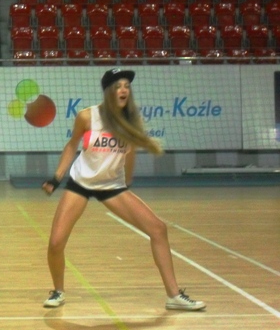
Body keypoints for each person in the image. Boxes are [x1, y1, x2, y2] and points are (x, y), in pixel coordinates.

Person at [41, 68, 205, 311]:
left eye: (127, 85)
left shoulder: (131, 120)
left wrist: (126, 184)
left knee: (158, 229)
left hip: (112, 186)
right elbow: (71, 145)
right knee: (56, 242)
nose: (124, 90)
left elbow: (130, 153)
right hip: (81, 183)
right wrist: (56, 178)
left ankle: (174, 296)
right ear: (109, 91)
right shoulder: (87, 117)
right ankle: (58, 291)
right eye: (118, 86)